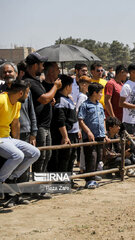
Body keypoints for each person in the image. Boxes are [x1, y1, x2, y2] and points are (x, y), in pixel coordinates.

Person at [24, 54, 61, 197]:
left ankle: (41, 186)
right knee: (40, 157)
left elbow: (44, 99)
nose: (43, 67)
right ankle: (37, 189)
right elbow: (44, 98)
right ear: (35, 65)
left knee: (46, 155)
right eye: (41, 64)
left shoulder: (36, 81)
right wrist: (55, 88)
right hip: (38, 125)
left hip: (44, 125)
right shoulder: (29, 82)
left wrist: (50, 99)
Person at [0, 79, 40, 207]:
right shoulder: (2, 99)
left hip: (7, 138)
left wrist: (15, 142)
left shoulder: (17, 103)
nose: (28, 96)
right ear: (21, 93)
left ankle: (11, 178)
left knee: (35, 152)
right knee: (18, 155)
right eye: (27, 93)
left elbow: (15, 124)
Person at [78, 82, 110, 189]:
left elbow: (103, 120)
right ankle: (89, 180)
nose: (101, 95)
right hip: (90, 136)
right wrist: (88, 132)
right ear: (94, 93)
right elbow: (81, 120)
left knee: (99, 157)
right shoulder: (85, 105)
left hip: (100, 135)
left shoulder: (100, 105)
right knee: (91, 157)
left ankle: (95, 175)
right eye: (100, 92)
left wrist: (105, 133)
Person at [48, 75, 79, 177]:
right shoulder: (60, 101)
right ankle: (62, 181)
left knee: (71, 158)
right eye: (71, 85)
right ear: (67, 87)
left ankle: (69, 179)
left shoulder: (68, 99)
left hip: (73, 133)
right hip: (66, 134)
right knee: (64, 159)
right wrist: (65, 136)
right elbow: (60, 120)